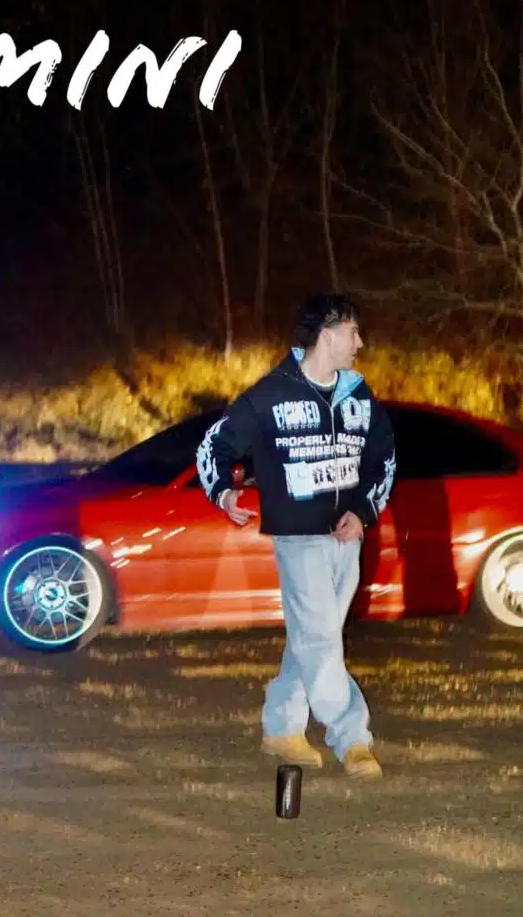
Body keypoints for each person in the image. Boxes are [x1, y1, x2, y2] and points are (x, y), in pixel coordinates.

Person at [196, 294, 396, 778]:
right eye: (352, 333)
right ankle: (352, 738)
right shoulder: (272, 394)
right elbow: (213, 445)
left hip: (346, 540)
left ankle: (282, 727)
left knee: (313, 638)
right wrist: (223, 492)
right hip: (299, 539)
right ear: (326, 336)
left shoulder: (359, 396)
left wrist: (363, 512)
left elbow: (384, 460)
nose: (360, 343)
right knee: (321, 640)